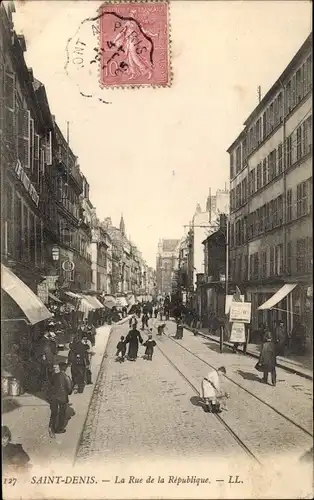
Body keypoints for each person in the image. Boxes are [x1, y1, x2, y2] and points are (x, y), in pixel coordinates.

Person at [48, 363, 72, 438]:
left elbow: (51, 384)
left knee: (54, 413)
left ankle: (51, 427)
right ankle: (59, 429)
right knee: (62, 413)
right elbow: (69, 389)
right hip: (62, 397)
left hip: (53, 397)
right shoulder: (66, 377)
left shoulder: (53, 376)